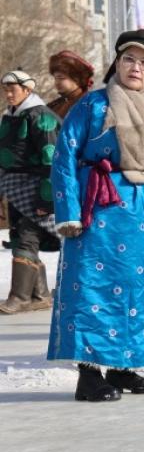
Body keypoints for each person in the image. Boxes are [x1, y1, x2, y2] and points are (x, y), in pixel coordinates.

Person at [47, 29, 144, 402]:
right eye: (129, 59)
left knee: (137, 291)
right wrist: (68, 212)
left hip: (143, 215)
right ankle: (90, 373)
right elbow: (64, 156)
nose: (136, 67)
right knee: (91, 288)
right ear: (117, 63)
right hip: (98, 210)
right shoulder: (93, 106)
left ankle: (124, 367)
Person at [0, 70, 59, 314]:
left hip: (38, 185)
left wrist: (47, 198)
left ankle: (20, 296)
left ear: (28, 90)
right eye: (5, 89)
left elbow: (51, 158)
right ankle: (40, 294)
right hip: (14, 185)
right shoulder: (9, 116)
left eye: (13, 88)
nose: (8, 93)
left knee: (27, 234)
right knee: (18, 234)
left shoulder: (40, 116)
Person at [47, 50, 94, 120]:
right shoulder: (54, 105)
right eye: (55, 78)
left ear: (76, 78)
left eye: (61, 78)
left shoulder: (88, 103)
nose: (56, 82)